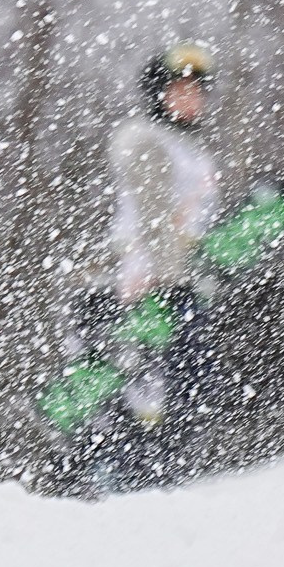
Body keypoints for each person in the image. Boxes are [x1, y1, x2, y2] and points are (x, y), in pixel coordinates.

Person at [56, 41, 226, 483]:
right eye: (178, 89)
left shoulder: (192, 148)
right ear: (158, 95)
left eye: (197, 90)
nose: (189, 99)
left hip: (176, 282)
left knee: (182, 385)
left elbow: (193, 225)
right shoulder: (149, 143)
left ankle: (162, 474)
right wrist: (169, 285)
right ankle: (126, 480)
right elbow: (152, 222)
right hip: (144, 286)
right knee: (143, 391)